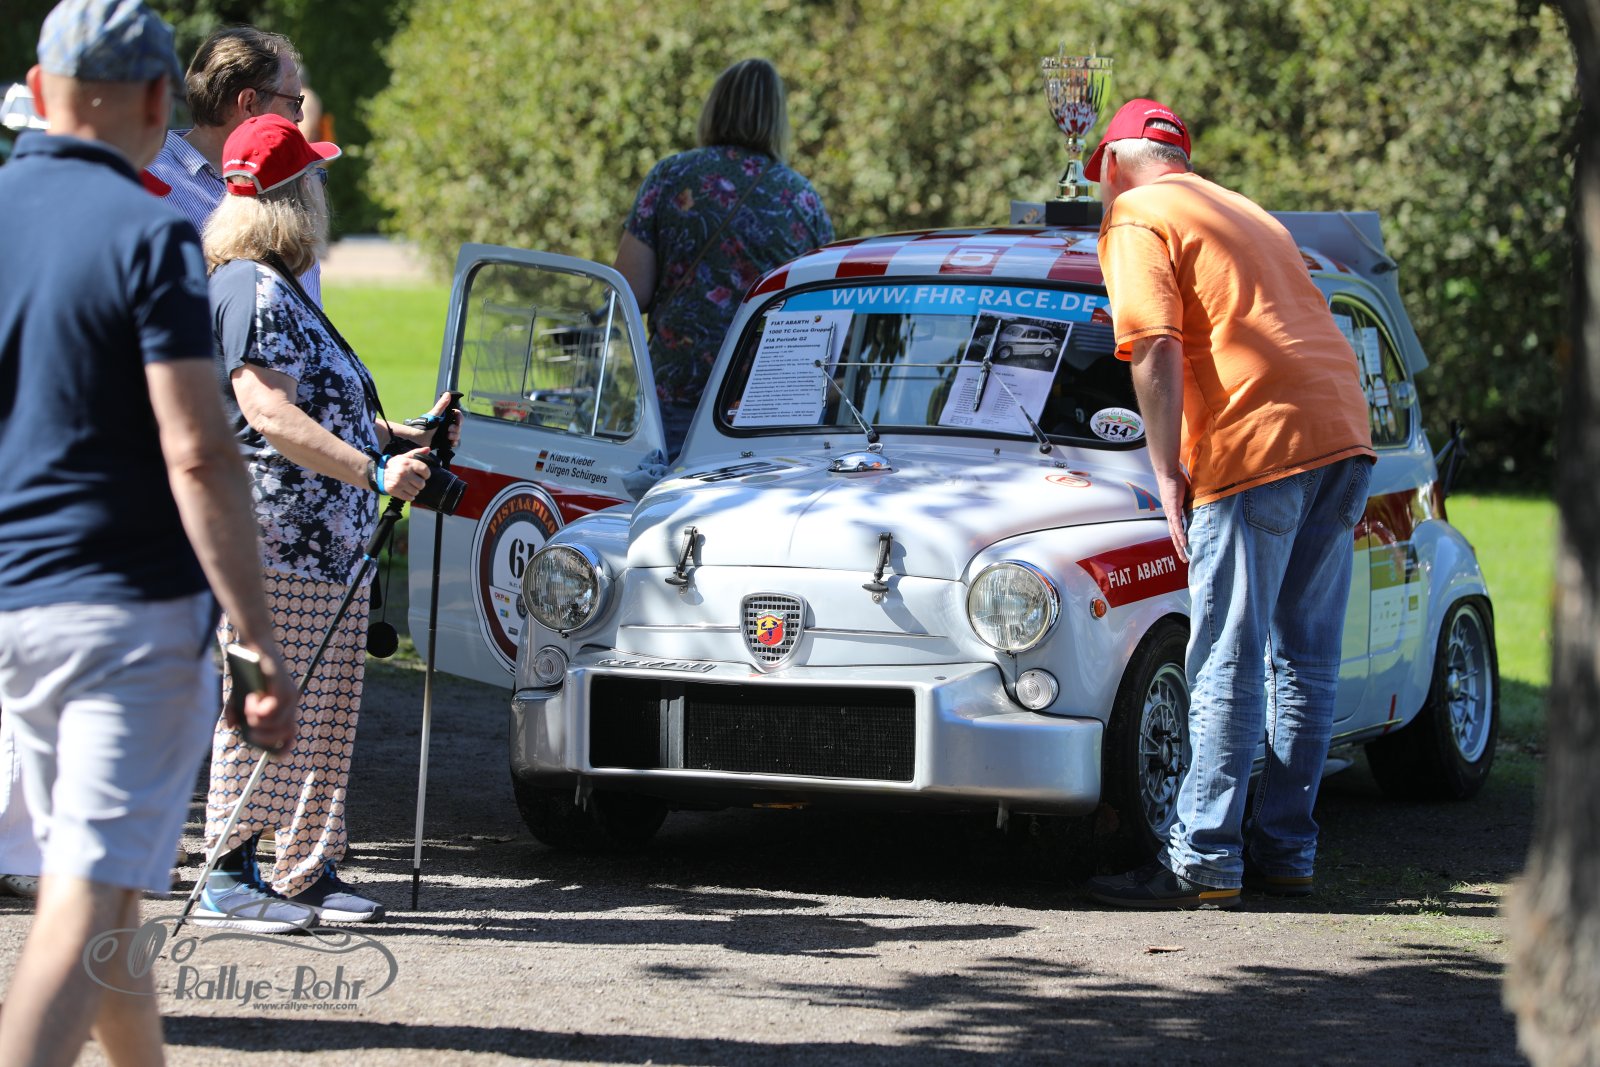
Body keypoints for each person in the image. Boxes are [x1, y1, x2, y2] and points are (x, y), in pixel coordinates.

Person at [0, 2, 298, 1063]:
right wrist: (256, 634)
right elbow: (200, 451)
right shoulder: (151, 231)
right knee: (82, 901)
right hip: (124, 612)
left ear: (41, 92)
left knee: (106, 895)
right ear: (160, 99)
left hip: (16, 608)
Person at [1081, 99, 1375, 910]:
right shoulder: (1244, 211)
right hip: (1343, 432)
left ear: (1112, 165)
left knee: (1226, 656)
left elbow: (1155, 342)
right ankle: (1285, 851)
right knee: (1305, 659)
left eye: (1097, 178)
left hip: (1258, 444)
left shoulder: (1137, 214)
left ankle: (1203, 856)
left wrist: (1166, 469)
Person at [193, 113, 459, 932]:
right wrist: (374, 471)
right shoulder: (252, 288)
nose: (322, 192)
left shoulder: (276, 286)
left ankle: (304, 868)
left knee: (324, 716)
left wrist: (403, 434)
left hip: (321, 549)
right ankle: (226, 874)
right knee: (264, 705)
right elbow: (268, 412)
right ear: (290, 197)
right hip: (276, 545)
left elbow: (324, 407)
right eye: (312, 178)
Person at [614, 57, 833, 457]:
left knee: (666, 495)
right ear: (777, 120)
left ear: (714, 108)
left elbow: (629, 292)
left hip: (678, 389)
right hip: (767, 403)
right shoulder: (802, 199)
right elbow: (825, 308)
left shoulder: (671, 176)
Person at [145, 25, 324, 303]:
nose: (300, 116)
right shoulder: (151, 191)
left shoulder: (283, 178)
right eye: (294, 102)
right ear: (249, 103)